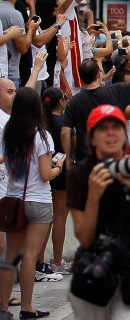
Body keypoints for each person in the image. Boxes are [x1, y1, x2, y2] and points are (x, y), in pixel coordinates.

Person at [65, 104, 130, 317]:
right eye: (103, 129)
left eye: (116, 127)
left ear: (124, 134)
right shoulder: (80, 174)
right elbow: (84, 237)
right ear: (92, 138)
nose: (110, 133)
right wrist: (93, 196)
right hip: (92, 272)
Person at [0, 88, 63, 320]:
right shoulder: (41, 135)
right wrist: (59, 167)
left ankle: (3, 309)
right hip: (38, 201)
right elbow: (46, 174)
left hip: (13, 200)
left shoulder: (8, 132)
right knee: (30, 255)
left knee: (10, 256)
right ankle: (27, 308)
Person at [61, 47, 130, 164]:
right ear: (98, 74)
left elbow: (65, 132)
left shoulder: (73, 102)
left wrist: (67, 159)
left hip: (86, 160)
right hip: (113, 157)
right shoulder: (116, 91)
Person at [41, 87, 71, 275]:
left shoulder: (41, 123)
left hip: (45, 171)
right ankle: (57, 261)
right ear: (61, 101)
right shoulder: (64, 123)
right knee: (59, 218)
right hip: (61, 170)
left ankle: (39, 261)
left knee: (46, 220)